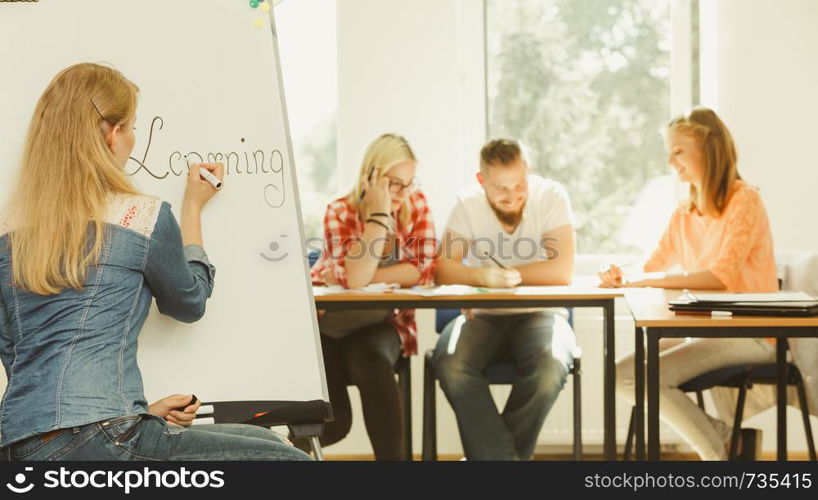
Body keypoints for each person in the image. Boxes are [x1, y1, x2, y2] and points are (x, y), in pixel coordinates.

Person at [0, 63, 310, 461]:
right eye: (130, 126)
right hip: (101, 436)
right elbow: (189, 302)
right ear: (112, 135)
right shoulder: (140, 217)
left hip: (19, 444)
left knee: (271, 442)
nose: (132, 139)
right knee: (296, 462)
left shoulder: (9, 233)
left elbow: (14, 351)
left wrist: (137, 413)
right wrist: (193, 208)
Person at [600, 107, 778, 460]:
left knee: (644, 378)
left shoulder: (745, 200)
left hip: (751, 332)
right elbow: (653, 263)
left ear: (709, 149)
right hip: (709, 330)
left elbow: (719, 276)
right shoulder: (686, 211)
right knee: (621, 374)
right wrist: (621, 272)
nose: (671, 162)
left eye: (678, 151)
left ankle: (719, 458)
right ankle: (727, 439)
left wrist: (646, 279)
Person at [432, 138, 577, 460]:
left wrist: (513, 275)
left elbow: (562, 269)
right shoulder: (468, 204)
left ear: (528, 172)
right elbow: (443, 268)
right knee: (450, 362)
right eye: (501, 188)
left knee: (550, 367)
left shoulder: (551, 196)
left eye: (519, 184)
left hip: (543, 315)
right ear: (481, 181)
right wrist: (480, 277)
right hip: (482, 315)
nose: (513, 196)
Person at [307, 133, 436, 460]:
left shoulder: (416, 205)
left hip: (383, 325)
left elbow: (421, 270)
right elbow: (355, 277)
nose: (403, 193)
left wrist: (363, 278)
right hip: (329, 330)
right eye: (394, 183)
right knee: (335, 425)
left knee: (370, 357)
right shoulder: (339, 211)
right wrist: (379, 217)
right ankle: (275, 455)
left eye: (408, 183)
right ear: (371, 177)